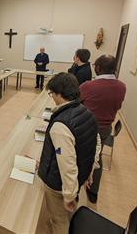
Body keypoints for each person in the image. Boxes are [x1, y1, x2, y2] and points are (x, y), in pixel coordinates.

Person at [37, 72, 101, 234]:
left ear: (60, 93)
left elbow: (67, 163)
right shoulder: (86, 112)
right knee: (67, 214)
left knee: (59, 221)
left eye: (52, 93)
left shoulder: (61, 126)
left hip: (57, 185)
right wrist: (91, 168)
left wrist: (69, 195)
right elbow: (96, 143)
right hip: (80, 175)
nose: (51, 97)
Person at [80, 55, 126, 204]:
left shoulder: (88, 86)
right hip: (106, 128)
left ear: (98, 68)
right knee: (96, 158)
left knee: (78, 155)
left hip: (86, 127)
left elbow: (77, 103)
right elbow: (117, 107)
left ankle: (74, 187)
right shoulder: (122, 86)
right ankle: (93, 191)